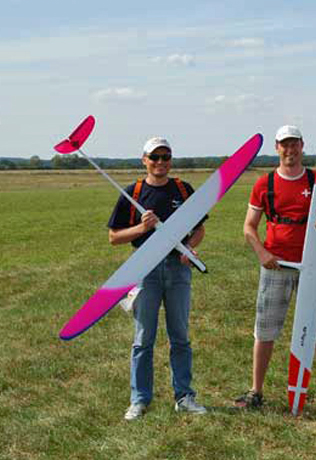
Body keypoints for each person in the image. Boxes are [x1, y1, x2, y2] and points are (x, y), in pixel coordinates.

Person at [235, 125, 316, 412]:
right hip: (276, 267)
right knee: (265, 331)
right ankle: (256, 391)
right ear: (277, 147)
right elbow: (249, 227)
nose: (290, 150)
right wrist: (262, 253)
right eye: (284, 144)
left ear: (302, 145)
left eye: (294, 144)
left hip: (311, 268)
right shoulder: (264, 184)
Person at [107, 137, 207, 420]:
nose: (160, 162)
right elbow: (114, 237)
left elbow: (199, 229)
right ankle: (139, 400)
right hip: (145, 270)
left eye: (165, 157)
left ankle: (184, 397)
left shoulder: (183, 190)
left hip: (178, 270)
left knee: (180, 336)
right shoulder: (133, 193)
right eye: (154, 157)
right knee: (143, 339)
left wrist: (190, 247)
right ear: (144, 160)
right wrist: (142, 228)